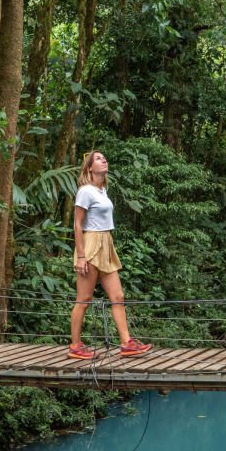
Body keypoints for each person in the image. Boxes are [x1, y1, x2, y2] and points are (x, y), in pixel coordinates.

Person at [68, 150, 153, 360]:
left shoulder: (102, 190)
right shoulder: (85, 191)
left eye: (104, 157)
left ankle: (127, 343)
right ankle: (75, 345)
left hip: (106, 243)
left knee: (118, 296)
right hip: (90, 244)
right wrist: (80, 256)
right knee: (84, 298)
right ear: (89, 168)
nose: (103, 159)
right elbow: (77, 225)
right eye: (98, 158)